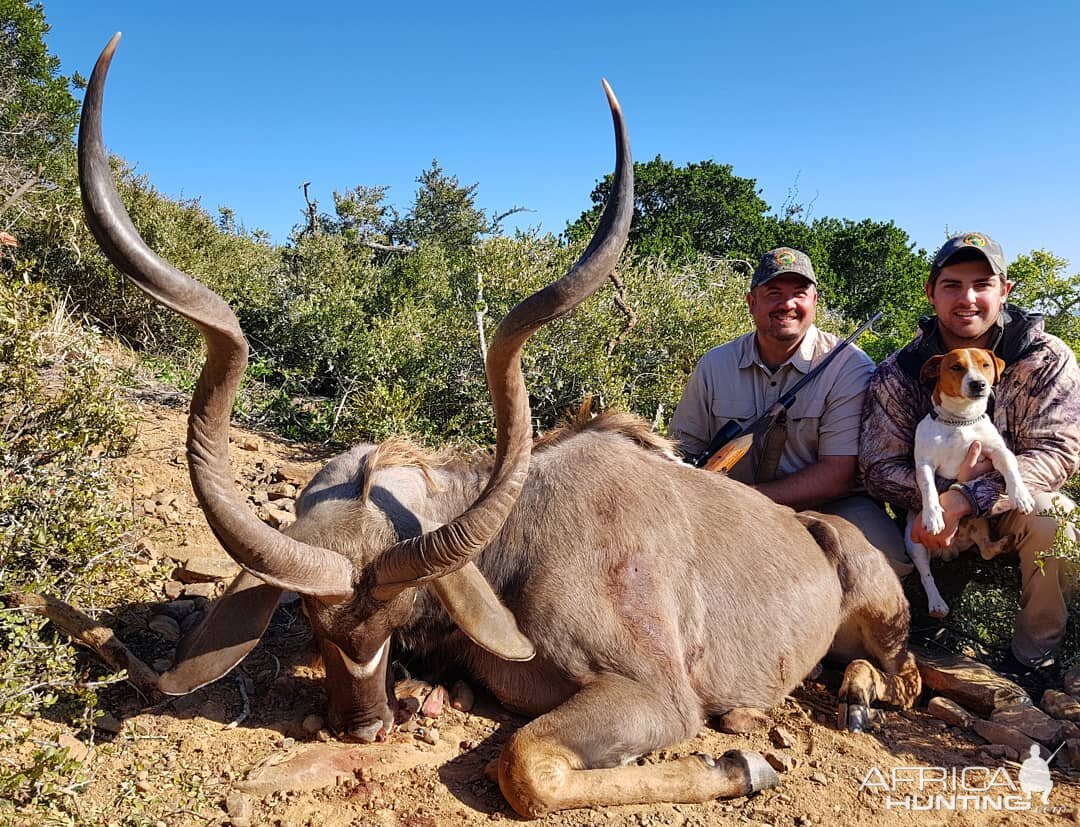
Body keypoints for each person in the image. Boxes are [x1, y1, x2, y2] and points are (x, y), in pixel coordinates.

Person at [860, 231, 1080, 671]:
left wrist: (966, 498)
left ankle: (1033, 663)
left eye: (982, 284)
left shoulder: (1045, 357)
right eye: (952, 285)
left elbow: (1057, 453)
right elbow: (877, 467)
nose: (968, 298)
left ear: (1005, 290)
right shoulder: (901, 371)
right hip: (924, 513)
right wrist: (937, 500)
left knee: (1054, 519)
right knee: (864, 545)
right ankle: (900, 639)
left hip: (1007, 504)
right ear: (931, 293)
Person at [670, 246, 903, 556]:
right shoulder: (715, 364)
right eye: (774, 293)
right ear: (751, 303)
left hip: (825, 506)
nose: (787, 304)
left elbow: (838, 475)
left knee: (886, 555)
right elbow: (682, 450)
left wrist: (749, 502)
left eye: (799, 293)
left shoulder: (849, 366)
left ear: (815, 302)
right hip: (725, 503)